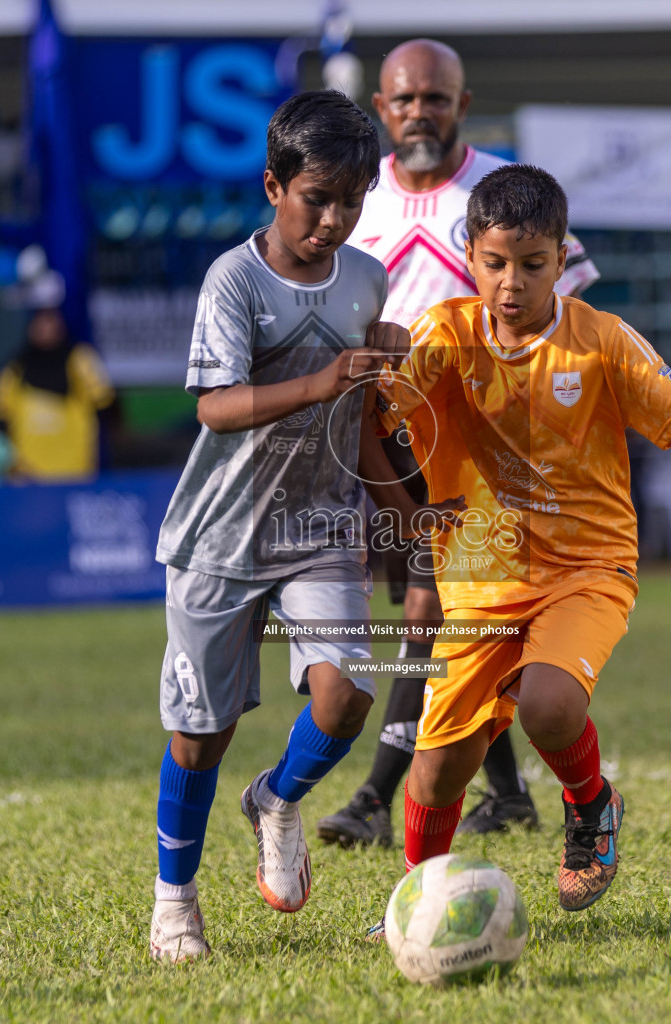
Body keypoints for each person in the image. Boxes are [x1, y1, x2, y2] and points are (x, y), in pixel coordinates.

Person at [367, 165, 671, 923]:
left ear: (563, 259)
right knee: (437, 773)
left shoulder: (600, 341)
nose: (512, 283)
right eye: (496, 263)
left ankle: (591, 807)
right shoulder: (444, 335)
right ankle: (416, 905)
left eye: (533, 265)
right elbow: (379, 411)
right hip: (480, 572)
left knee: (550, 707)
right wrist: (370, 372)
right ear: (470, 255)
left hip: (587, 565)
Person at [146, 91, 460, 963]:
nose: (332, 219)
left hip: (321, 527)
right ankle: (175, 899)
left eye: (351, 202)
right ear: (273, 186)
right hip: (219, 535)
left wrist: (407, 520)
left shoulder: (366, 279)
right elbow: (214, 407)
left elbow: (360, 417)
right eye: (315, 197)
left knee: (346, 693)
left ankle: (278, 798)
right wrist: (321, 380)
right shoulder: (234, 281)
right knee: (200, 731)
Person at [317, 37, 603, 847]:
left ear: (461, 106)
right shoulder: (357, 204)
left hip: (482, 446)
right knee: (460, 622)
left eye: (435, 99)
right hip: (382, 439)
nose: (419, 114)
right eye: (404, 100)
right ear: (382, 109)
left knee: (429, 612)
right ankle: (508, 793)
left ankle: (377, 796)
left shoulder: (504, 191)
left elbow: (569, 305)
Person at [0, 273, 115, 482]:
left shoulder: (80, 360)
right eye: (40, 322)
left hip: (75, 472)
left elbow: (104, 401)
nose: (46, 329)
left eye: (51, 321)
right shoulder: (16, 368)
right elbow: (0, 413)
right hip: (28, 475)